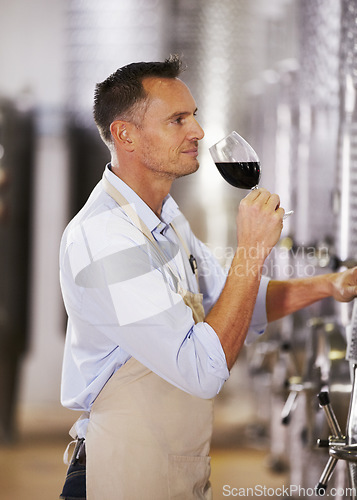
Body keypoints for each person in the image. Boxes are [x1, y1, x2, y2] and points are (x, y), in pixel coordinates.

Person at [59, 55, 357, 500]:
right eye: (178, 120)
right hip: (121, 474)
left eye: (194, 117)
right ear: (126, 135)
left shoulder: (165, 217)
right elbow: (201, 370)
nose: (197, 132)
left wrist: (331, 286)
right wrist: (252, 249)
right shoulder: (106, 237)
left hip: (176, 466)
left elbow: (233, 302)